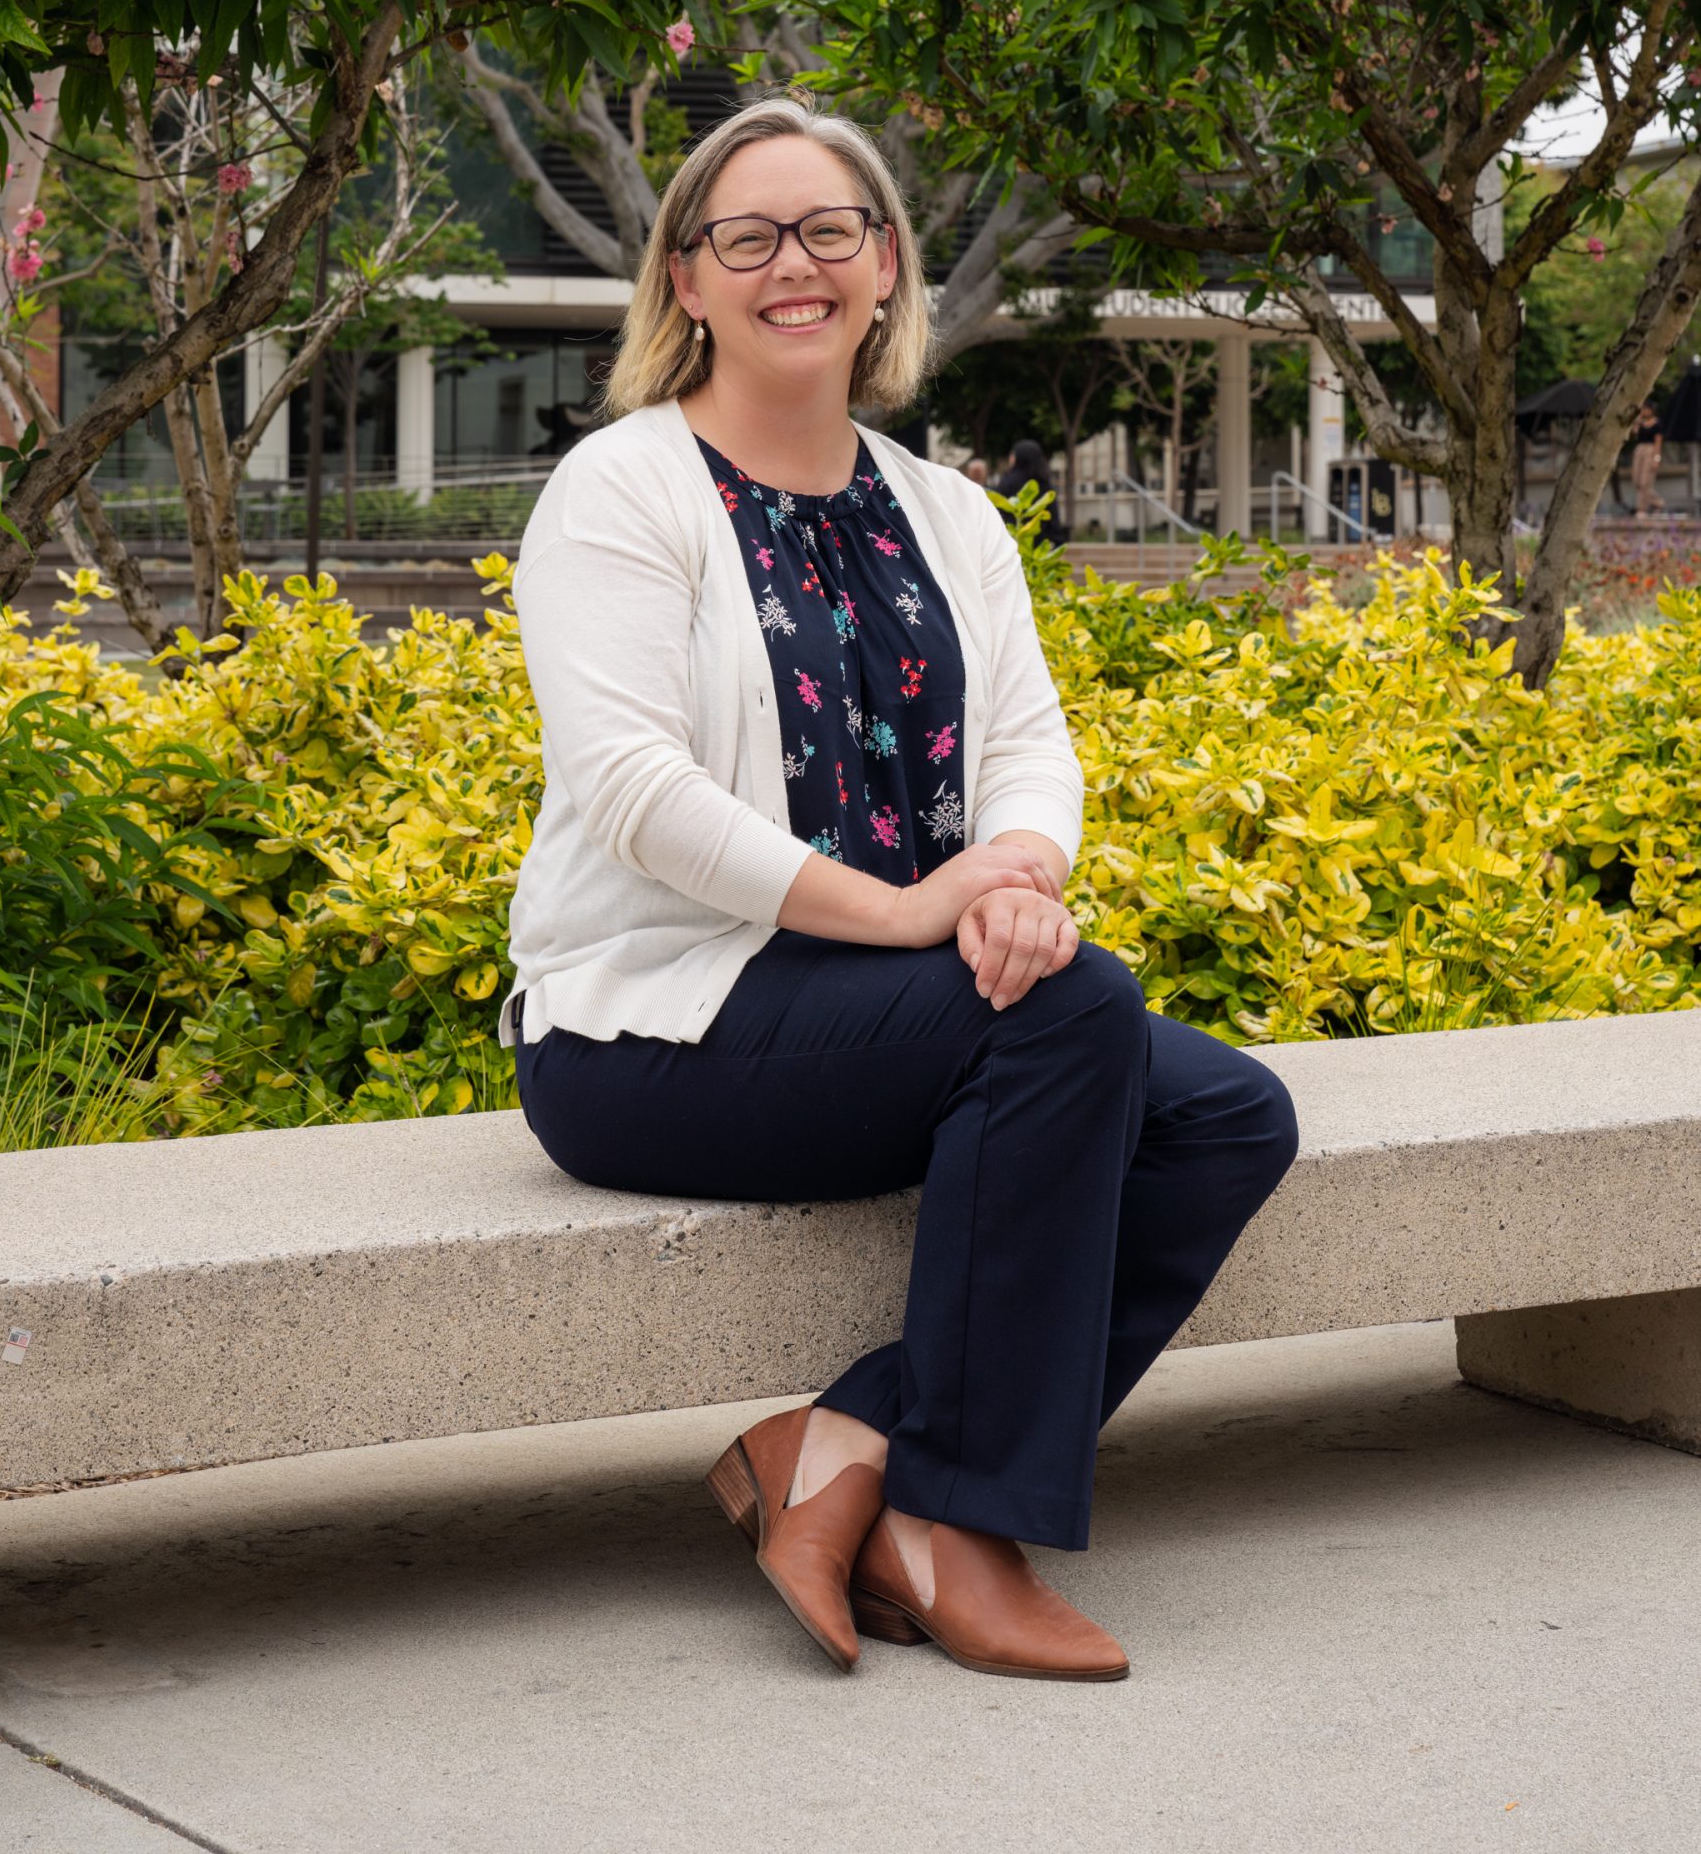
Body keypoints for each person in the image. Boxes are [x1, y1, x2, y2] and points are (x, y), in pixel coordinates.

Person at [499, 94, 1298, 1683]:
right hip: (649, 1029)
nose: (789, 263)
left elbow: (1027, 746)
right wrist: (906, 913)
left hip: (895, 1008)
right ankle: (951, 1537)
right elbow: (638, 797)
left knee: (1223, 1116)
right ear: (685, 282)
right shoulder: (621, 491)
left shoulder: (945, 511)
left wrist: (1012, 875)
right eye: (746, 235)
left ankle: (854, 1442)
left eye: (828, 230)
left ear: (882, 272)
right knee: (1074, 1015)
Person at [1630, 401, 1663, 520]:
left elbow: (1658, 442)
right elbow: (1634, 434)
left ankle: (1641, 508)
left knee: (1645, 481)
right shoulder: (1640, 422)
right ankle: (1657, 502)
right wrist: (1636, 422)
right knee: (1636, 481)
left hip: (1650, 451)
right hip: (1639, 450)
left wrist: (1656, 458)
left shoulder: (1657, 424)